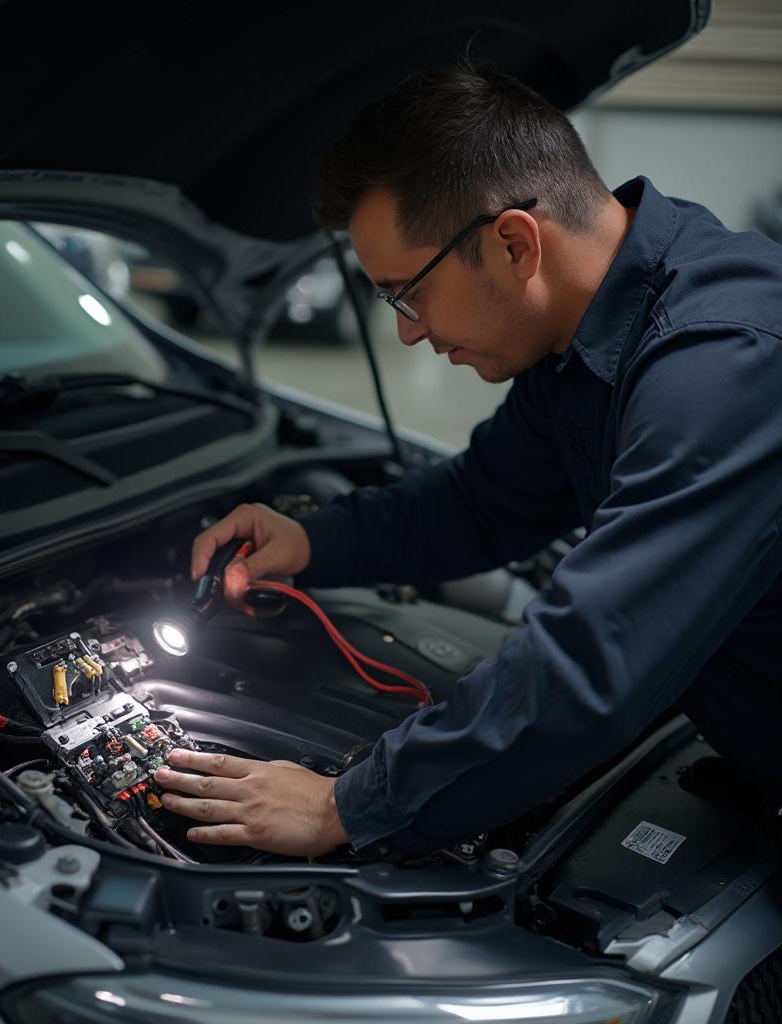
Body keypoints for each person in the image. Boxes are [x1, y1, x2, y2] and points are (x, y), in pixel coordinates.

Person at [151, 62, 782, 860]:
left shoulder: (725, 366)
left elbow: (596, 658)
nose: (409, 333)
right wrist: (314, 541)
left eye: (407, 293)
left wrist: (345, 805)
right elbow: (485, 502)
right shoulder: (583, 338)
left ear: (514, 243)